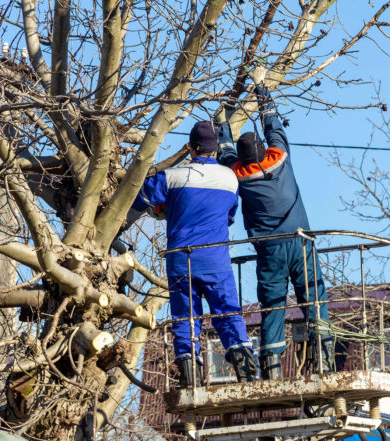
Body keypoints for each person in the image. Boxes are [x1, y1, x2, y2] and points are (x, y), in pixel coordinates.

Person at [217, 77, 334, 380]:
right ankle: (324, 355)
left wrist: (223, 125)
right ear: (261, 149)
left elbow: (225, 152)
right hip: (301, 242)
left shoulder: (238, 174)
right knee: (314, 295)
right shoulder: (279, 158)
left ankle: (272, 366)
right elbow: (273, 125)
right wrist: (261, 88)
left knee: (272, 305)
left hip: (270, 249)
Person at [132, 121, 257, 387]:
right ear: (214, 150)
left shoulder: (172, 177)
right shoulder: (229, 178)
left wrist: (167, 210)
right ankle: (246, 371)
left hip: (181, 259)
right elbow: (229, 217)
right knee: (227, 313)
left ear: (190, 147)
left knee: (185, 316)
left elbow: (139, 197)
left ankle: (189, 378)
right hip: (215, 259)